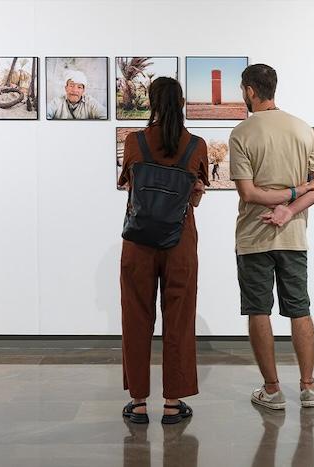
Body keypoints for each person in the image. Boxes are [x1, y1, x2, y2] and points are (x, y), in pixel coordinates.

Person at [229, 64, 314, 410]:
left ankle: (272, 390)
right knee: (299, 308)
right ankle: (307, 387)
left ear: (250, 91)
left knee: (259, 310)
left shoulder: (242, 133)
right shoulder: (301, 129)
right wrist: (292, 205)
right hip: (293, 236)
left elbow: (249, 193)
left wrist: (285, 199)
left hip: (254, 236)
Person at [118, 77, 209, 424]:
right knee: (180, 318)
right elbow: (196, 196)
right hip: (180, 240)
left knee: (136, 316)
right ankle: (173, 403)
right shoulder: (196, 145)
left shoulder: (134, 142)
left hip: (138, 240)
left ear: (151, 103)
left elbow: (128, 187)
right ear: (182, 103)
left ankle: (139, 402)